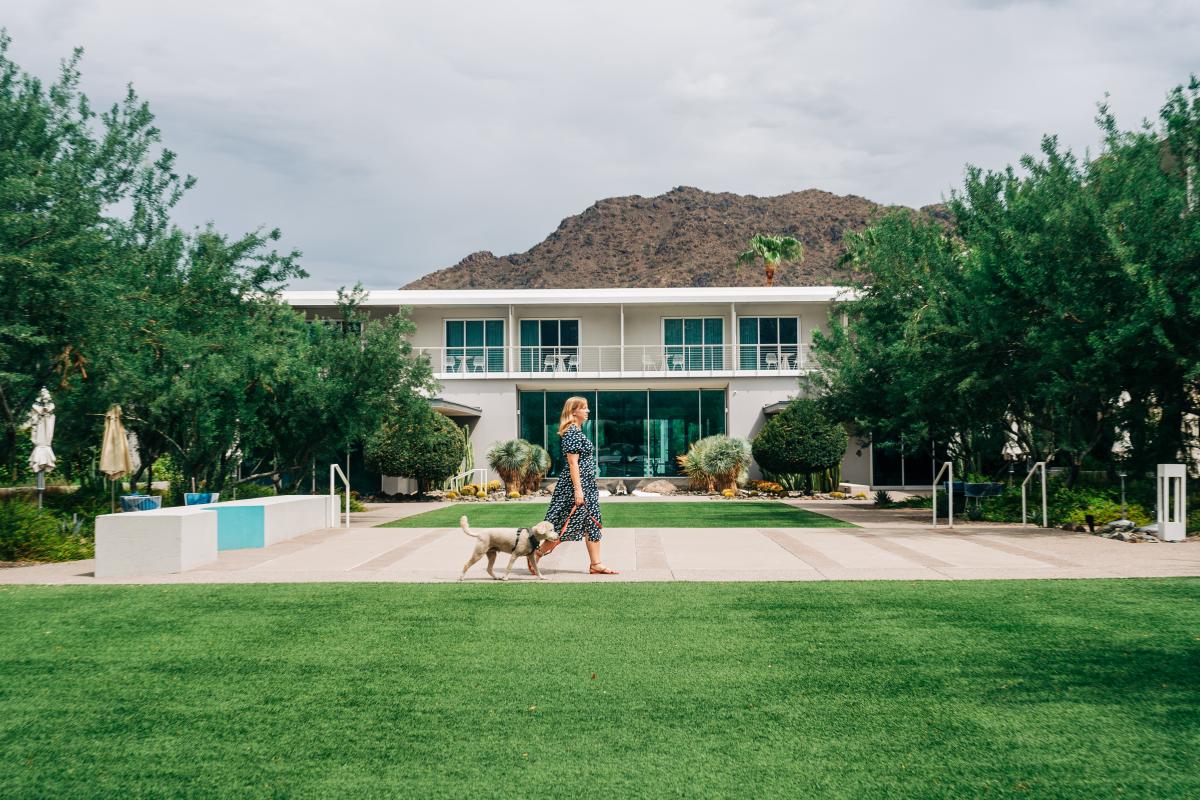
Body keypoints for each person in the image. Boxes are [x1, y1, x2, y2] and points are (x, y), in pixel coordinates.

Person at [530, 396, 618, 575]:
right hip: (575, 487)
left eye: (587, 407)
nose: (587, 411)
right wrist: (578, 490)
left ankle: (596, 564)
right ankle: (536, 554)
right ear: (573, 411)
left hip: (586, 485)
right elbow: (572, 463)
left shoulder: (577, 431)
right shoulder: (571, 432)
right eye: (584, 408)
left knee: (593, 523)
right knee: (565, 524)